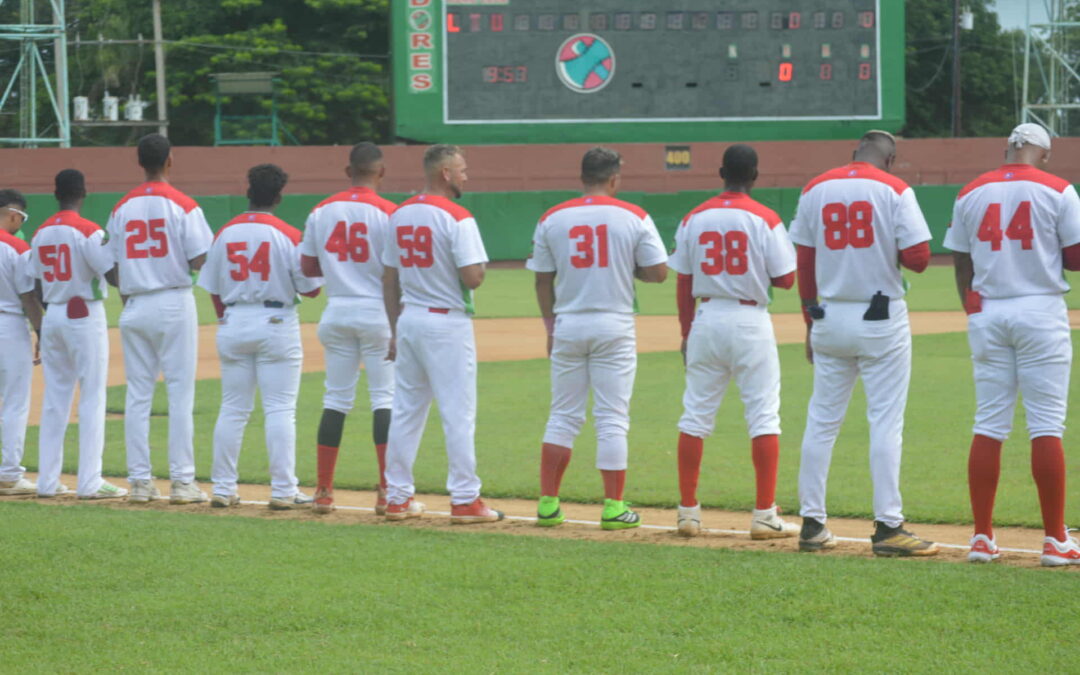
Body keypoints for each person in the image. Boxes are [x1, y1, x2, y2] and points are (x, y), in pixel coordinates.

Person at [790, 131, 938, 556]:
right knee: (885, 422)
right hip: (880, 316)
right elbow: (920, 259)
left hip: (829, 315)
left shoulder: (815, 187)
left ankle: (813, 524)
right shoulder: (894, 188)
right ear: (890, 159)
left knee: (821, 421)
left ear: (852, 152)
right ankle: (889, 527)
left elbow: (805, 260)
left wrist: (808, 321)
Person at [944, 123, 1080, 567]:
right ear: (1043, 152)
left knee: (989, 423)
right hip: (1039, 308)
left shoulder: (970, 191)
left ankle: (982, 538)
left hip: (988, 310)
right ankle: (1056, 541)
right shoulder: (1059, 189)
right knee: (1045, 425)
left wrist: (971, 304)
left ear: (1009, 149)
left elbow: (960, 257)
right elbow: (1076, 260)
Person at [526, 147, 668, 530]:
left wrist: (550, 327)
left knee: (562, 415)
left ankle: (548, 504)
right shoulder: (634, 216)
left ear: (582, 177)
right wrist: (631, 269)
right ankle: (613, 507)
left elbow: (542, 279)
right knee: (612, 418)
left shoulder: (552, 217)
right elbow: (659, 272)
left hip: (568, 323)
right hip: (613, 324)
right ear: (614, 178)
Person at [667, 145, 798, 539]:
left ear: (721, 171)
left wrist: (686, 332)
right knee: (763, 415)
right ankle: (764, 515)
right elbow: (787, 280)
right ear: (755, 175)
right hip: (749, 319)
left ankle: (687, 513)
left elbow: (684, 281)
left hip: (707, 318)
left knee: (695, 416)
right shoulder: (765, 217)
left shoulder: (695, 217)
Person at [380, 144, 502, 524]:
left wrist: (394, 328)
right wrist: (480, 263)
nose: (467, 175)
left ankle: (397, 497)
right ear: (445, 174)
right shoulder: (458, 216)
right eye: (462, 169)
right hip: (446, 323)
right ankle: (465, 499)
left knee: (405, 412)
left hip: (411, 319)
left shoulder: (399, 213)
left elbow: (389, 277)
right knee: (458, 413)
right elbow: (473, 277)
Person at [198, 164, 322, 509]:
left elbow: (212, 287)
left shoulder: (225, 232)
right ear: (279, 196)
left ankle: (223, 489)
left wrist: (227, 317)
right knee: (280, 408)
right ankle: (282, 491)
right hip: (276, 321)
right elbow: (311, 290)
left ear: (248, 191)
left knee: (233, 408)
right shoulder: (287, 233)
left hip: (234, 318)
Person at [106, 133, 214, 505]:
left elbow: (112, 266)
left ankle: (139, 482)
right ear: (170, 161)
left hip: (135, 305)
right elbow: (203, 257)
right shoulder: (183, 204)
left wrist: (129, 297)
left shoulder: (121, 207)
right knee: (180, 393)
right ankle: (183, 482)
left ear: (140, 163)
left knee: (138, 396)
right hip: (172, 300)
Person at [300, 142, 396, 515]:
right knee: (384, 400)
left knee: (335, 399)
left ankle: (323, 491)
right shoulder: (390, 212)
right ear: (381, 172)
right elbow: (397, 271)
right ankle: (387, 492)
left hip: (337, 310)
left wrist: (340, 267)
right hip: (377, 312)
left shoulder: (322, 210)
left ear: (348, 171)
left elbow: (308, 269)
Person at [32, 170, 127, 499]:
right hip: (83, 314)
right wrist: (116, 247)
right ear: (83, 192)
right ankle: (90, 481)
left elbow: (35, 282)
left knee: (55, 399)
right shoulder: (88, 231)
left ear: (55, 193)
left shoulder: (41, 232)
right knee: (92, 395)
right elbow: (112, 276)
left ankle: (47, 481)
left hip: (54, 312)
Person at [0, 190, 44, 495]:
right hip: (8, 325)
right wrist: (42, 330)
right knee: (15, 402)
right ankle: (10, 475)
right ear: (14, 214)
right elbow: (28, 296)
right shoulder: (17, 247)